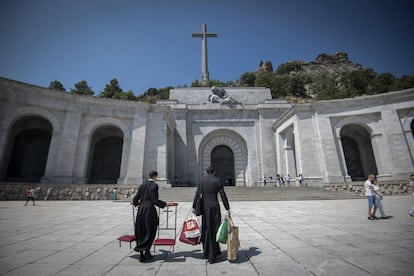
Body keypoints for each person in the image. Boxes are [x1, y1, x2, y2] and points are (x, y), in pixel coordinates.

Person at [192, 166, 230, 264]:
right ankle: (212, 255)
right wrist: (227, 208)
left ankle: (207, 252)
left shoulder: (202, 181)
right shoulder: (217, 180)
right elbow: (222, 194)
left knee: (206, 229)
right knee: (214, 229)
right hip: (214, 206)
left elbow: (197, 194)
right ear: (214, 172)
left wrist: (193, 206)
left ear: (206, 172)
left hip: (204, 207)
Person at [132, 171, 167, 262]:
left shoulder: (142, 185)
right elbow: (154, 200)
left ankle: (142, 254)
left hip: (141, 210)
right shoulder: (154, 186)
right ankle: (146, 250)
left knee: (141, 230)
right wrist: (164, 204)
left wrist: (135, 203)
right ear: (155, 176)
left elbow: (136, 198)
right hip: (149, 210)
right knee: (150, 230)